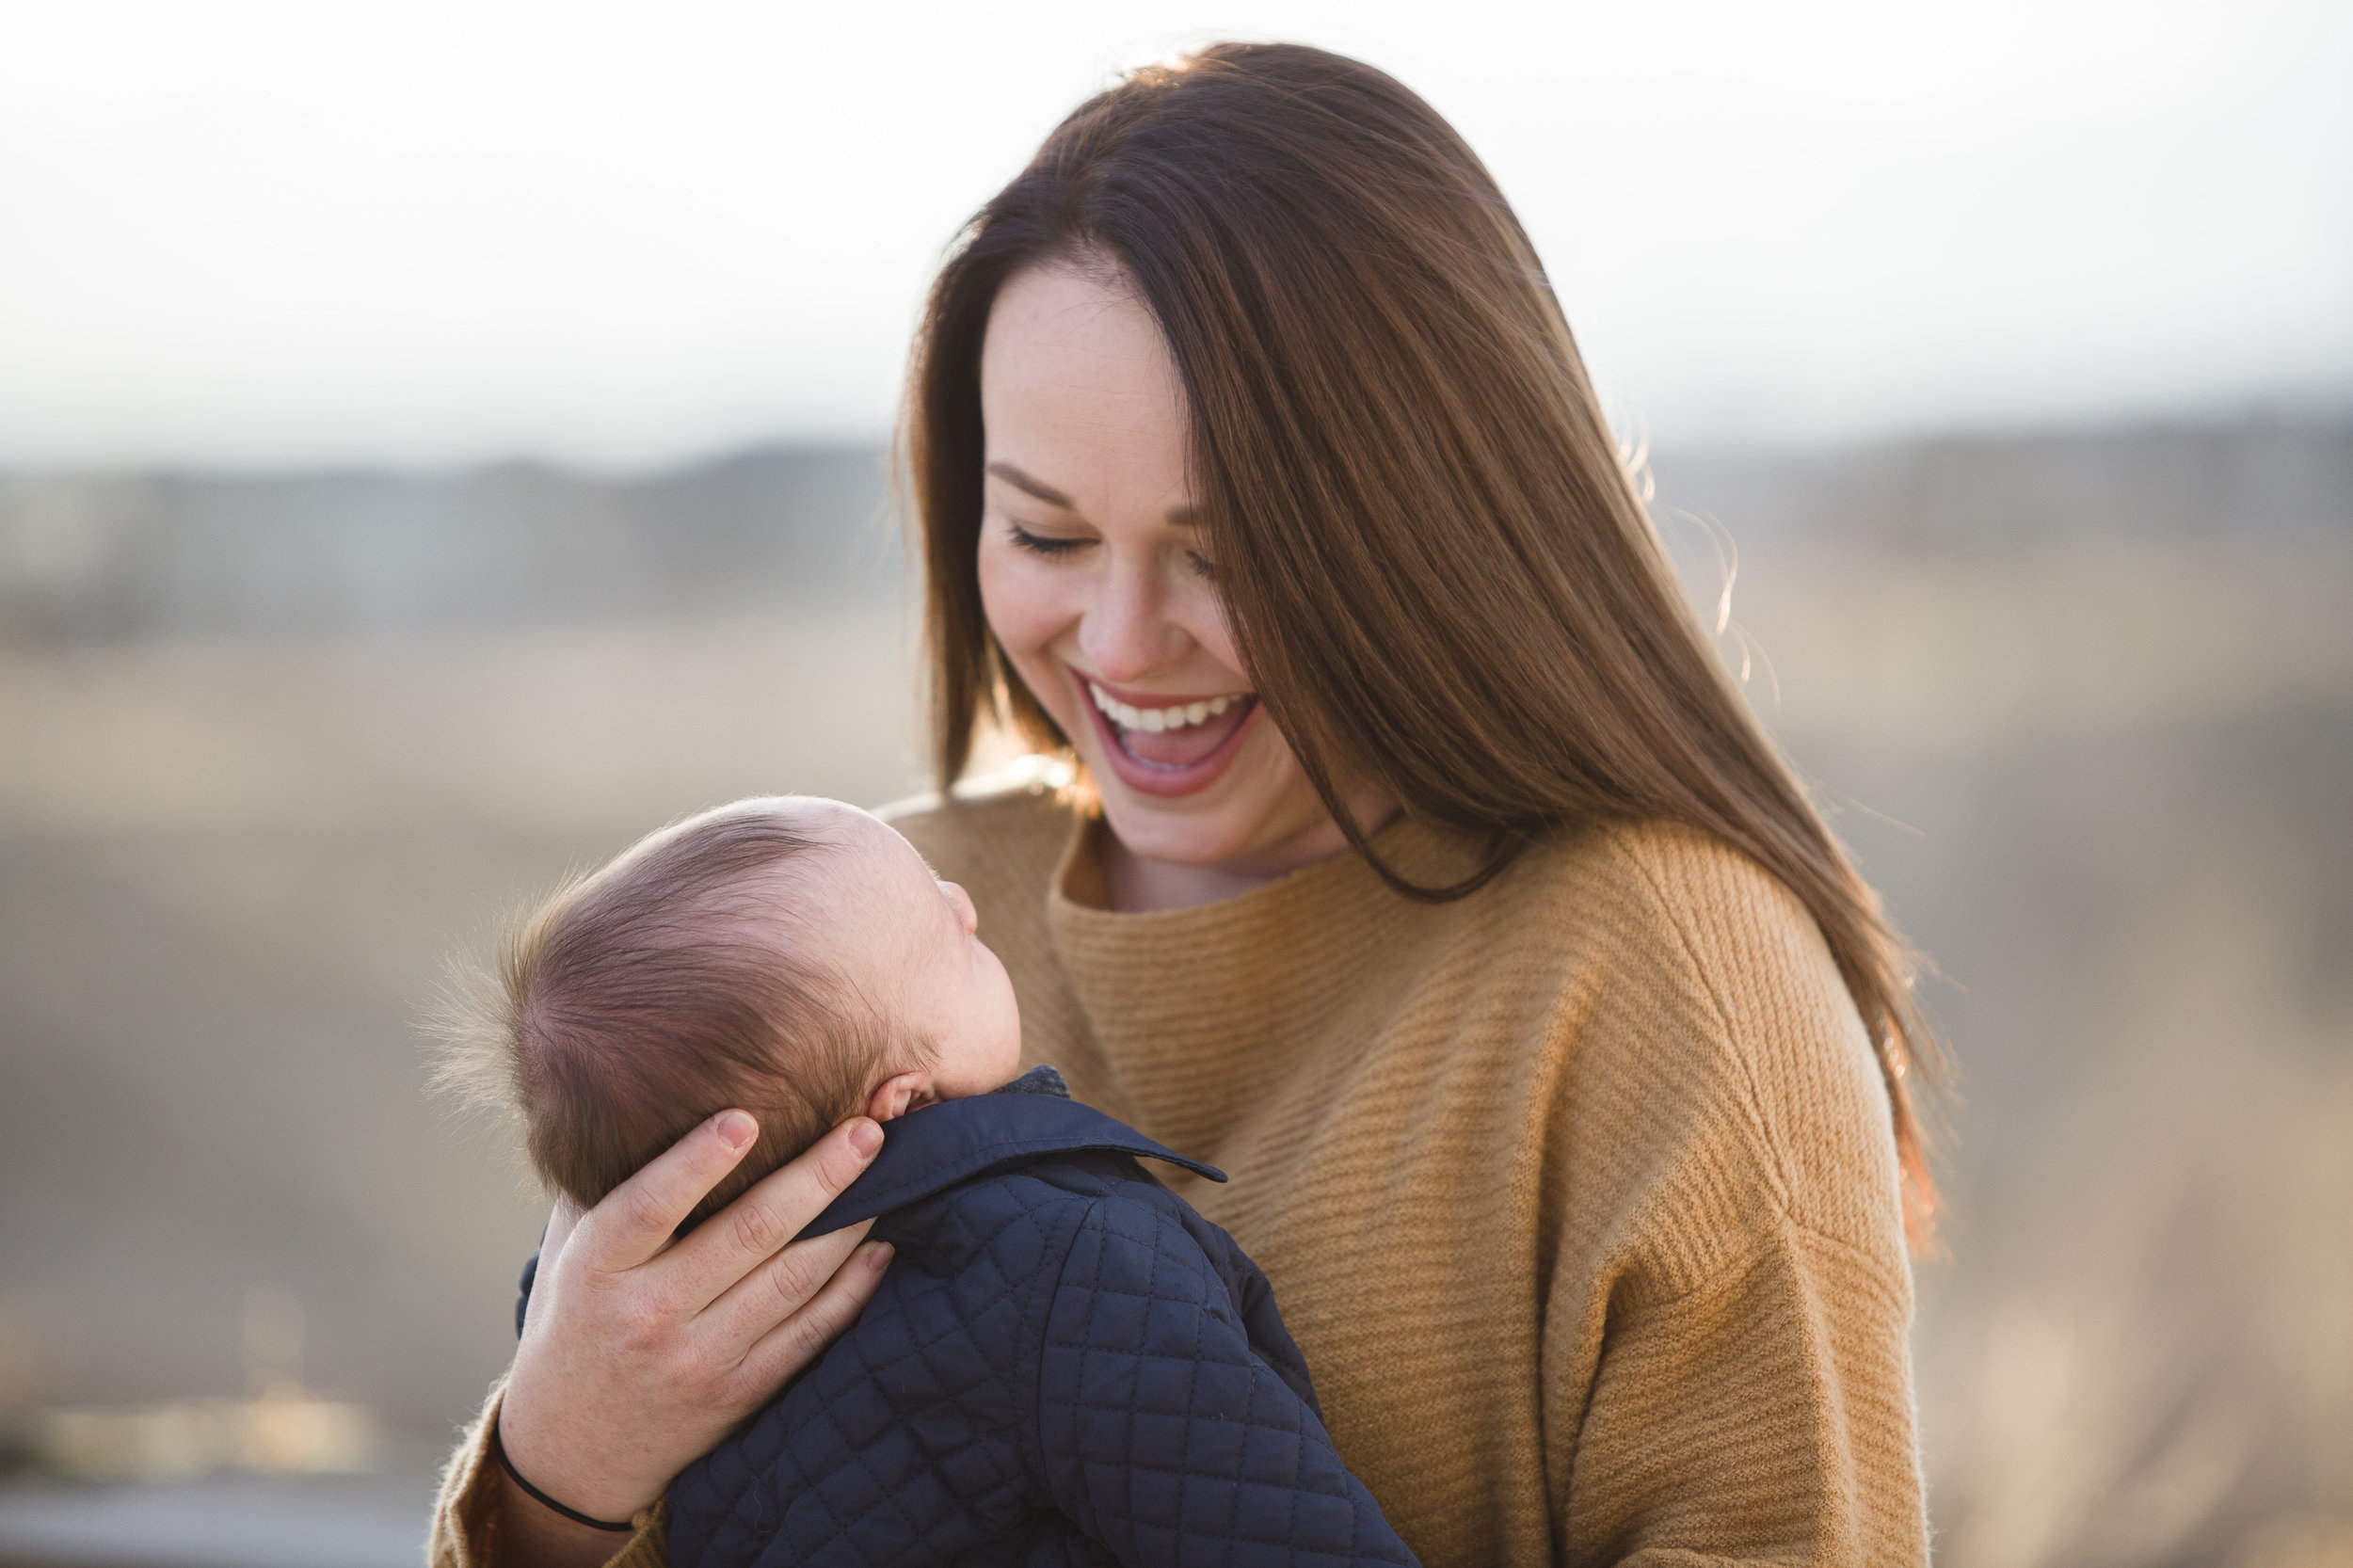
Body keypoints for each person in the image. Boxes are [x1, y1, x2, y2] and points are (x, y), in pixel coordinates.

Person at [430, 40, 1936, 1567]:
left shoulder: (1671, 975)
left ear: (1442, 521)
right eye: (1047, 532)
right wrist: (556, 1479)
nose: (1128, 643)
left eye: (1225, 549)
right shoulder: (881, 921)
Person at [433, 794, 1419, 1565]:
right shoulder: (1075, 1262)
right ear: (900, 1103)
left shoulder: (624, 1317)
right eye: (950, 935)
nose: (967, 901)